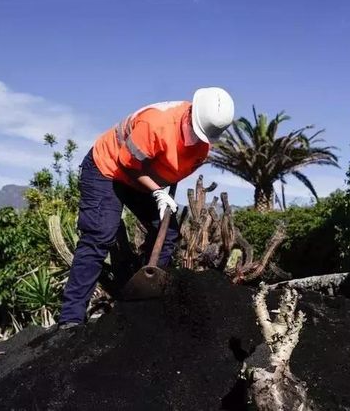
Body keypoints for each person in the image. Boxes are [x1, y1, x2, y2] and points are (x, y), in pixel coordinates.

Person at [58, 87, 235, 328]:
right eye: (195, 131)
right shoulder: (156, 123)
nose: (197, 138)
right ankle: (71, 318)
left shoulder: (203, 147)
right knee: (100, 235)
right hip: (108, 168)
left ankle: (140, 302)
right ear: (190, 114)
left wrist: (162, 191)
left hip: (144, 180)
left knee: (168, 233)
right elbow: (127, 164)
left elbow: (173, 171)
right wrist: (157, 192)